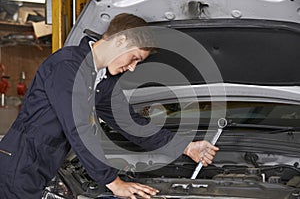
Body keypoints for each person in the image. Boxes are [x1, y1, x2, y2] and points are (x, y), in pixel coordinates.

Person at [0, 13, 219, 199]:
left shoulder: (103, 80)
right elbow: (79, 128)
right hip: (19, 163)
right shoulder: (66, 67)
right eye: (134, 58)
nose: (132, 68)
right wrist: (113, 182)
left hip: (44, 164)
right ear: (121, 40)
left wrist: (186, 146)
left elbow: (132, 124)